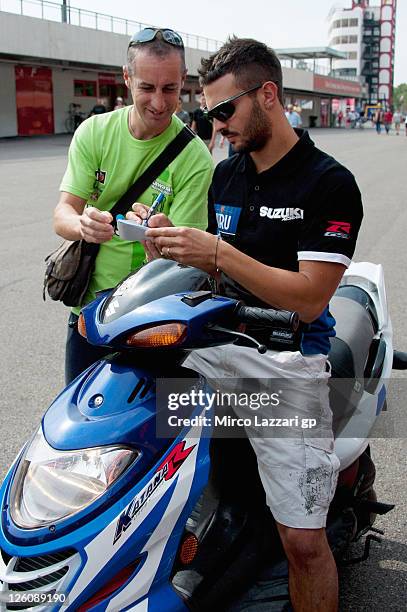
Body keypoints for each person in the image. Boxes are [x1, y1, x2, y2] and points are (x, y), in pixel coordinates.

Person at [129, 36, 363, 612]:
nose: (216, 124)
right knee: (127, 430)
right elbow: (218, 277)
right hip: (215, 351)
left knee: (303, 542)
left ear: (268, 95)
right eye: (207, 113)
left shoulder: (329, 183)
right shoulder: (225, 177)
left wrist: (216, 253)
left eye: (224, 110)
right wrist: (168, 244)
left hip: (284, 364)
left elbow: (310, 299)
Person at [53, 27, 213, 384]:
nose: (158, 103)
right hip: (90, 314)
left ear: (183, 81)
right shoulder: (94, 132)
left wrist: (168, 240)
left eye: (170, 89)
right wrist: (83, 225)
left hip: (154, 318)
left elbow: (189, 263)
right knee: (81, 423)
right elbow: (63, 212)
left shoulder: (195, 157)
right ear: (127, 79)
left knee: (149, 429)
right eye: (147, 88)